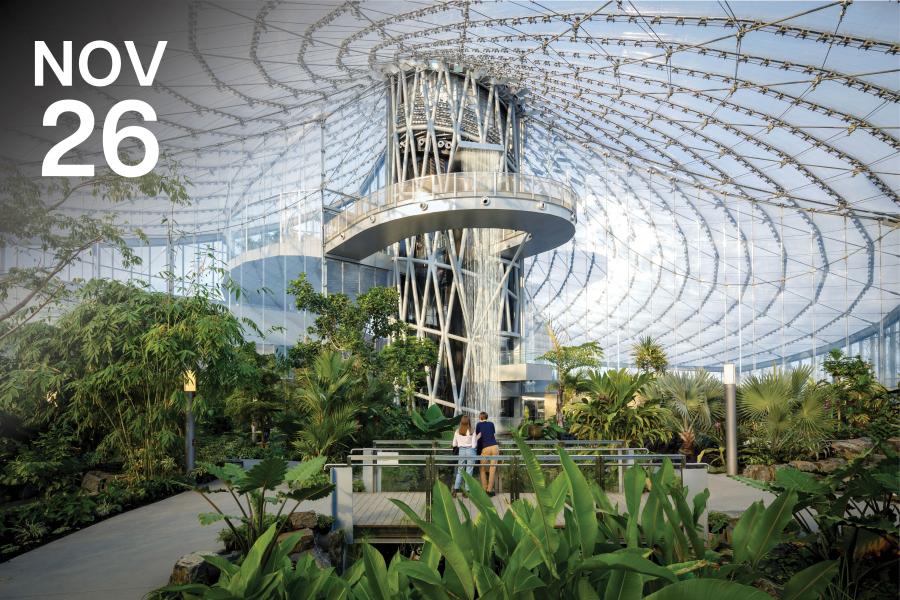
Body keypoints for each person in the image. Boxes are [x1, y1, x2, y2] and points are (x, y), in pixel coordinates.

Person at [451, 415, 477, 498]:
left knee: (460, 471)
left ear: (461, 422)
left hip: (461, 451)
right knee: (469, 471)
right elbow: (474, 445)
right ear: (469, 422)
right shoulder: (472, 431)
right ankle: (466, 492)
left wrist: (461, 443)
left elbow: (454, 444)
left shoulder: (457, 431)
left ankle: (455, 490)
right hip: (470, 451)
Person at [476, 411, 500, 496]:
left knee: (482, 468)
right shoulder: (491, 424)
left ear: (480, 417)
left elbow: (479, 438)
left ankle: (484, 488)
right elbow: (492, 435)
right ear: (487, 417)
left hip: (485, 448)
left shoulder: (478, 425)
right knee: (492, 469)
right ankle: (489, 490)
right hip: (495, 447)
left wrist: (479, 452)